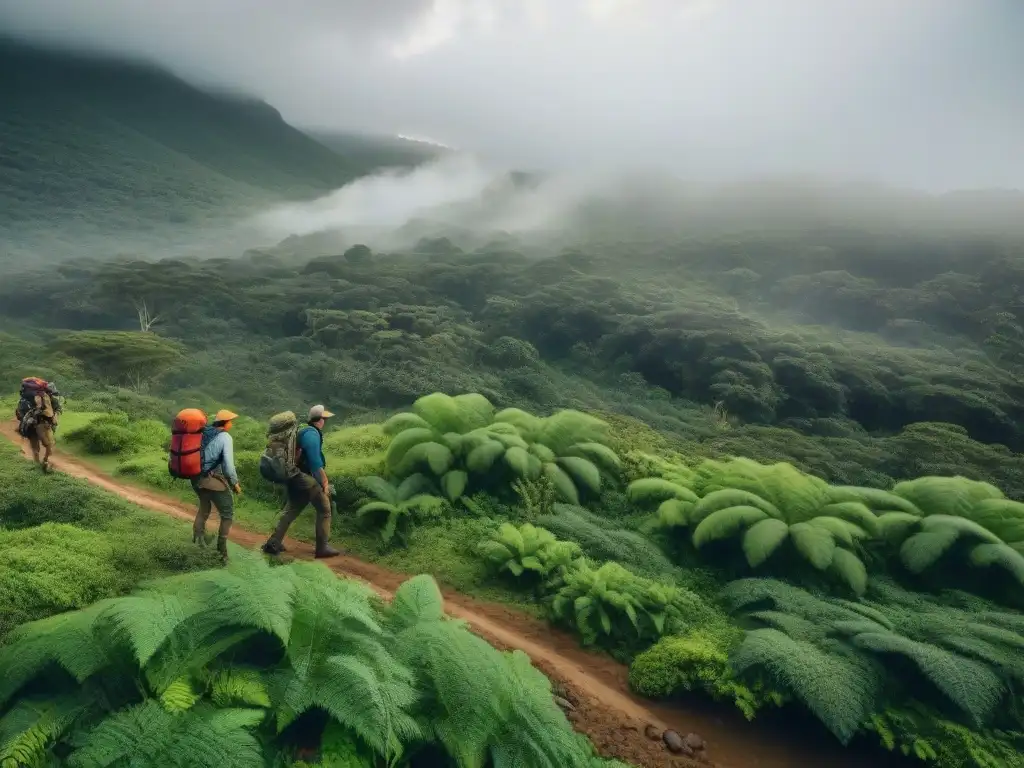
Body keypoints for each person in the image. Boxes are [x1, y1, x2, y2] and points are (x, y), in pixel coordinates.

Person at [261, 404, 341, 559]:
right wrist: (324, 483)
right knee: (324, 509)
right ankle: (322, 548)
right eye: (325, 418)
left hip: (294, 476)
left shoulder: (302, 430)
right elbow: (315, 463)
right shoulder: (312, 434)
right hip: (303, 478)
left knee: (291, 509)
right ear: (321, 420)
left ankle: (273, 543)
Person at [192, 409, 242, 562]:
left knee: (204, 508)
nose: (231, 424)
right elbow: (228, 465)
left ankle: (196, 544)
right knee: (227, 515)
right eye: (230, 421)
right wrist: (235, 483)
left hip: (195, 478)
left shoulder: (204, 432)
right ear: (225, 423)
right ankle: (222, 553)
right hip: (209, 479)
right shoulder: (225, 437)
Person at [19, 382, 60, 473]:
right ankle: (43, 462)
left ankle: (39, 464)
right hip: (43, 425)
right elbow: (56, 411)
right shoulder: (50, 400)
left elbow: (22, 414)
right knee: (48, 445)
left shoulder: (27, 400)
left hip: (34, 426)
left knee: (36, 448)